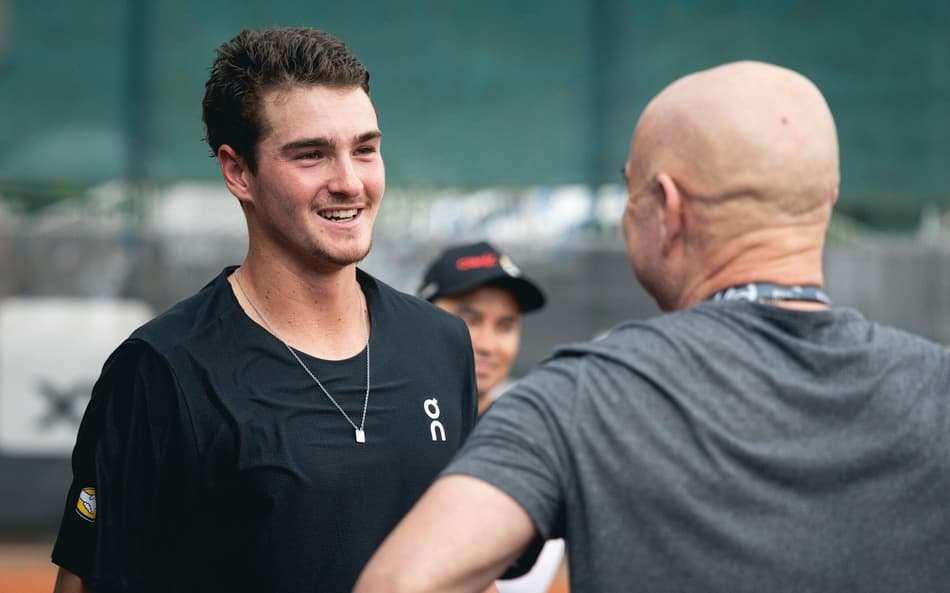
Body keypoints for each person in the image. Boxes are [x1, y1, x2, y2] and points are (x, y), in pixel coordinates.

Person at [354, 61, 950, 593]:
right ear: (826, 200)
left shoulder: (581, 398)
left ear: (667, 210)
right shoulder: (936, 388)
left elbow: (401, 583)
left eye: (629, 189)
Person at [50, 27, 477, 593]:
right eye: (312, 154)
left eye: (365, 149)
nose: (350, 182)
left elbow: (469, 567)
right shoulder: (161, 371)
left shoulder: (442, 342)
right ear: (238, 172)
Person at [419, 242, 564, 593]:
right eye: (470, 319)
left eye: (505, 325)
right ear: (420, 315)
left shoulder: (541, 435)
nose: (487, 343)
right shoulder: (379, 425)